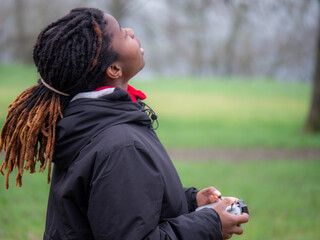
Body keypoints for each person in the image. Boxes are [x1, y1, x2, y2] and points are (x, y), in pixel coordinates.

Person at [0, 7, 249, 240]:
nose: (130, 31)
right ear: (114, 69)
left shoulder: (87, 123)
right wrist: (211, 223)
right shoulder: (120, 145)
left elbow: (119, 206)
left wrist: (192, 202)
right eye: (121, 33)